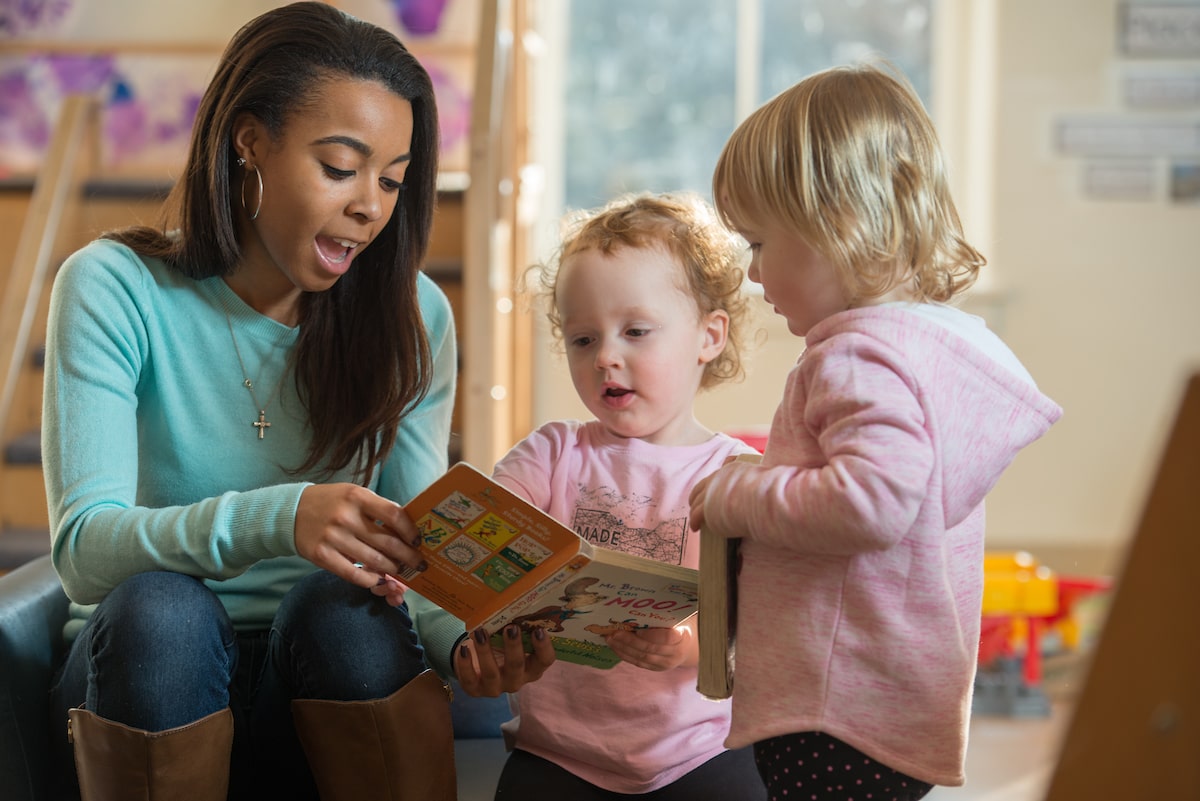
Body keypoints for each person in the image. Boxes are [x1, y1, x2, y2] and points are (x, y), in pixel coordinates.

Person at [40, 4, 551, 799]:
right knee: (164, 612)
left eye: (391, 179)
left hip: (317, 682)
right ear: (251, 143)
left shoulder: (415, 315)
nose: (370, 207)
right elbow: (82, 550)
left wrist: (465, 643)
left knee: (345, 608)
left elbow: (417, 543)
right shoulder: (114, 286)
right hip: (140, 680)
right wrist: (283, 516)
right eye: (341, 167)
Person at [686, 63, 1063, 801]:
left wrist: (740, 496)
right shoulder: (935, 343)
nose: (755, 275)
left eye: (760, 244)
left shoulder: (856, 355)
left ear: (841, 224)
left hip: (833, 708)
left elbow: (871, 502)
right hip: (893, 698)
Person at [486, 192, 767, 800]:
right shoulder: (553, 452)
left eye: (636, 331)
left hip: (697, 752)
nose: (606, 356)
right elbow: (480, 519)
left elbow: (765, 617)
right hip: (558, 752)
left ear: (708, 336)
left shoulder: (737, 474)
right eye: (583, 340)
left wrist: (692, 645)